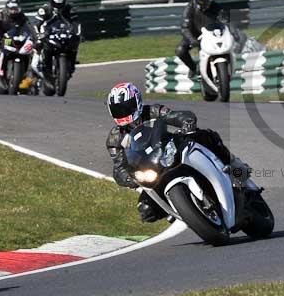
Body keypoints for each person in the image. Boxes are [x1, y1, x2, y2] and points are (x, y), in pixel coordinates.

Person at [105, 81, 251, 223]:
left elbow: (175, 116)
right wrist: (128, 178)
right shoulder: (114, 139)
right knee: (146, 210)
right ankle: (181, 209)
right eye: (119, 110)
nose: (124, 113)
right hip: (152, 171)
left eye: (126, 107)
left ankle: (236, 167)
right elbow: (119, 167)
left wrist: (186, 122)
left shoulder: (153, 111)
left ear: (137, 101)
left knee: (206, 136)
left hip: (170, 153)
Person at [175, 0, 231, 74]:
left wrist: (225, 29)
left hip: (213, 35)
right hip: (196, 35)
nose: (204, 3)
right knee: (180, 50)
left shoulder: (217, 7)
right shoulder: (190, 8)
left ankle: (228, 64)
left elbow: (225, 22)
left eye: (206, 0)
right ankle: (193, 68)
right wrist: (192, 40)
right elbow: (185, 27)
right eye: (201, 1)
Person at [0, 0, 35, 68]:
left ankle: (30, 68)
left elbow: (29, 27)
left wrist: (33, 36)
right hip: (4, 38)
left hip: (18, 38)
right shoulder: (0, 16)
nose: (13, 11)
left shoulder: (22, 16)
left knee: (32, 49)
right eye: (11, 9)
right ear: (7, 8)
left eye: (15, 9)